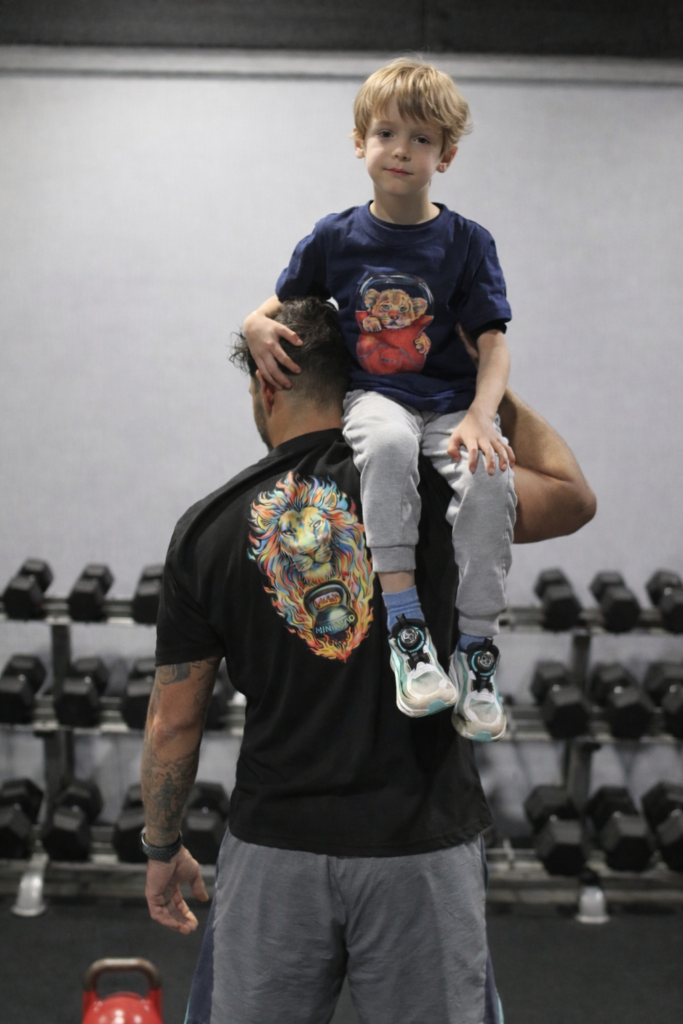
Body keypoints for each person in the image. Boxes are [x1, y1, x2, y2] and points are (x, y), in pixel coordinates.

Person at [140, 297, 596, 1024]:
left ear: (267, 386)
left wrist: (162, 845)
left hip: (273, 850)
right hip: (419, 850)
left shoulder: (209, 526)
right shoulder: (440, 488)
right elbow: (571, 497)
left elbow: (172, 724)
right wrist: (480, 386)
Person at [243, 58, 517, 743]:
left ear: (445, 157)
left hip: (452, 401)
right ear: (359, 141)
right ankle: (407, 632)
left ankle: (476, 653)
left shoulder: (466, 241)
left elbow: (492, 342)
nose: (401, 149)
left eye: (422, 139)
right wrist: (254, 321)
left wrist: (484, 416)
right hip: (378, 395)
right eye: (387, 132)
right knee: (388, 446)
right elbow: (287, 297)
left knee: (489, 478)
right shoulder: (336, 237)